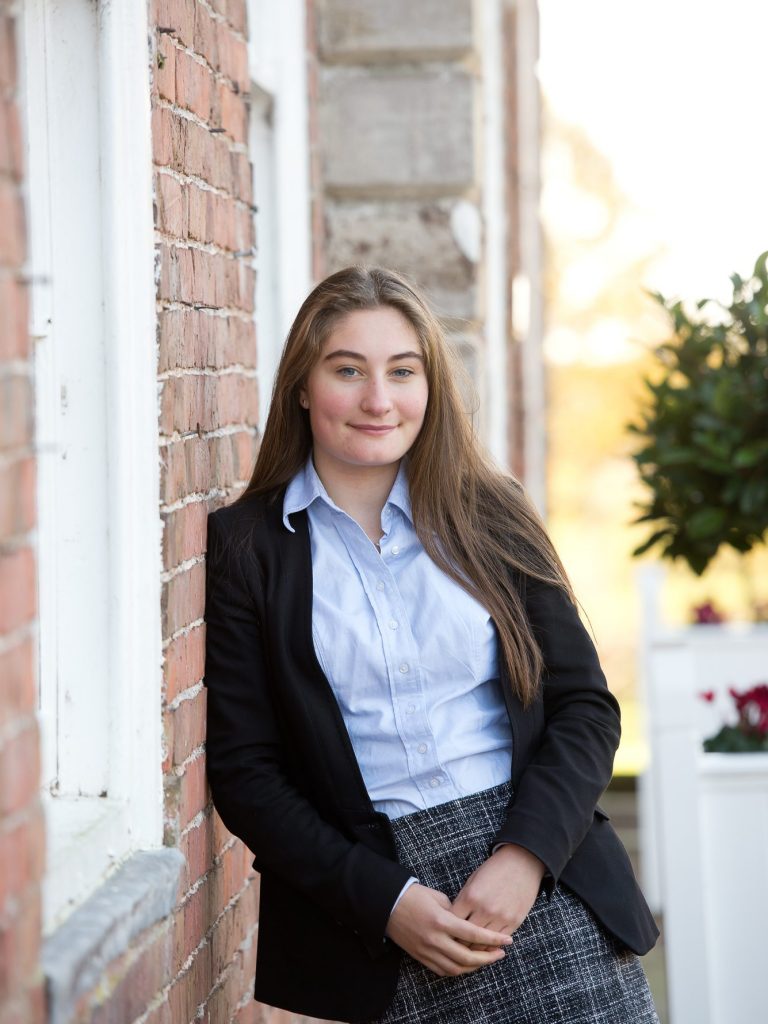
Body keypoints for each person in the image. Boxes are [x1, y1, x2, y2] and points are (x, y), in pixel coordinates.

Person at [203, 266, 660, 1023]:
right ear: (303, 388)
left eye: (402, 372)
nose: (378, 399)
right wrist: (387, 901)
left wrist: (523, 860)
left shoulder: (492, 515)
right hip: (370, 923)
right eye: (348, 370)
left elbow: (586, 708)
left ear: (430, 386)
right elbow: (246, 772)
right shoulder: (249, 546)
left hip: (541, 884)